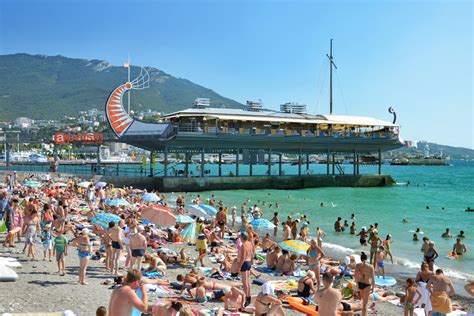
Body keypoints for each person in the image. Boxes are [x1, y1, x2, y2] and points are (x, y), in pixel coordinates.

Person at [355, 252, 375, 316]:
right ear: (367, 259)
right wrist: (373, 288)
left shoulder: (357, 265)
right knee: (365, 304)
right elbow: (373, 279)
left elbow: (356, 276)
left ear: (360, 259)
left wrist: (357, 285)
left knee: (363, 300)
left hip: (360, 283)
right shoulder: (371, 266)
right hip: (367, 284)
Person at [238, 232, 253, 306]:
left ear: (242, 238)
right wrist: (252, 262)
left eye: (240, 237)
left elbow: (243, 257)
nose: (239, 238)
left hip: (244, 263)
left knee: (244, 282)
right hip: (249, 262)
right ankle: (249, 296)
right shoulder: (250, 243)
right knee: (248, 281)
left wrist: (239, 266)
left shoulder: (243, 245)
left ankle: (246, 298)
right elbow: (252, 253)